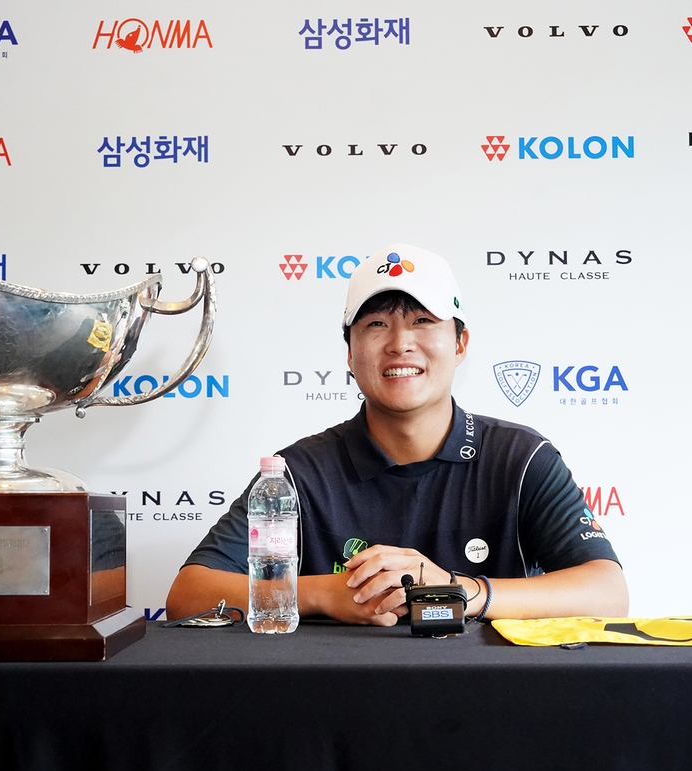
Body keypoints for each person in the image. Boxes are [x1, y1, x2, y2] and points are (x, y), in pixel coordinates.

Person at [166, 243, 628, 625]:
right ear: (349, 353)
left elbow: (608, 594)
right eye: (376, 325)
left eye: (423, 321)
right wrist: (325, 593)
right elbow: (188, 595)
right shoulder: (299, 472)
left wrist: (459, 592)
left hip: (492, 705)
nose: (400, 343)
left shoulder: (521, 458)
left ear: (460, 343)